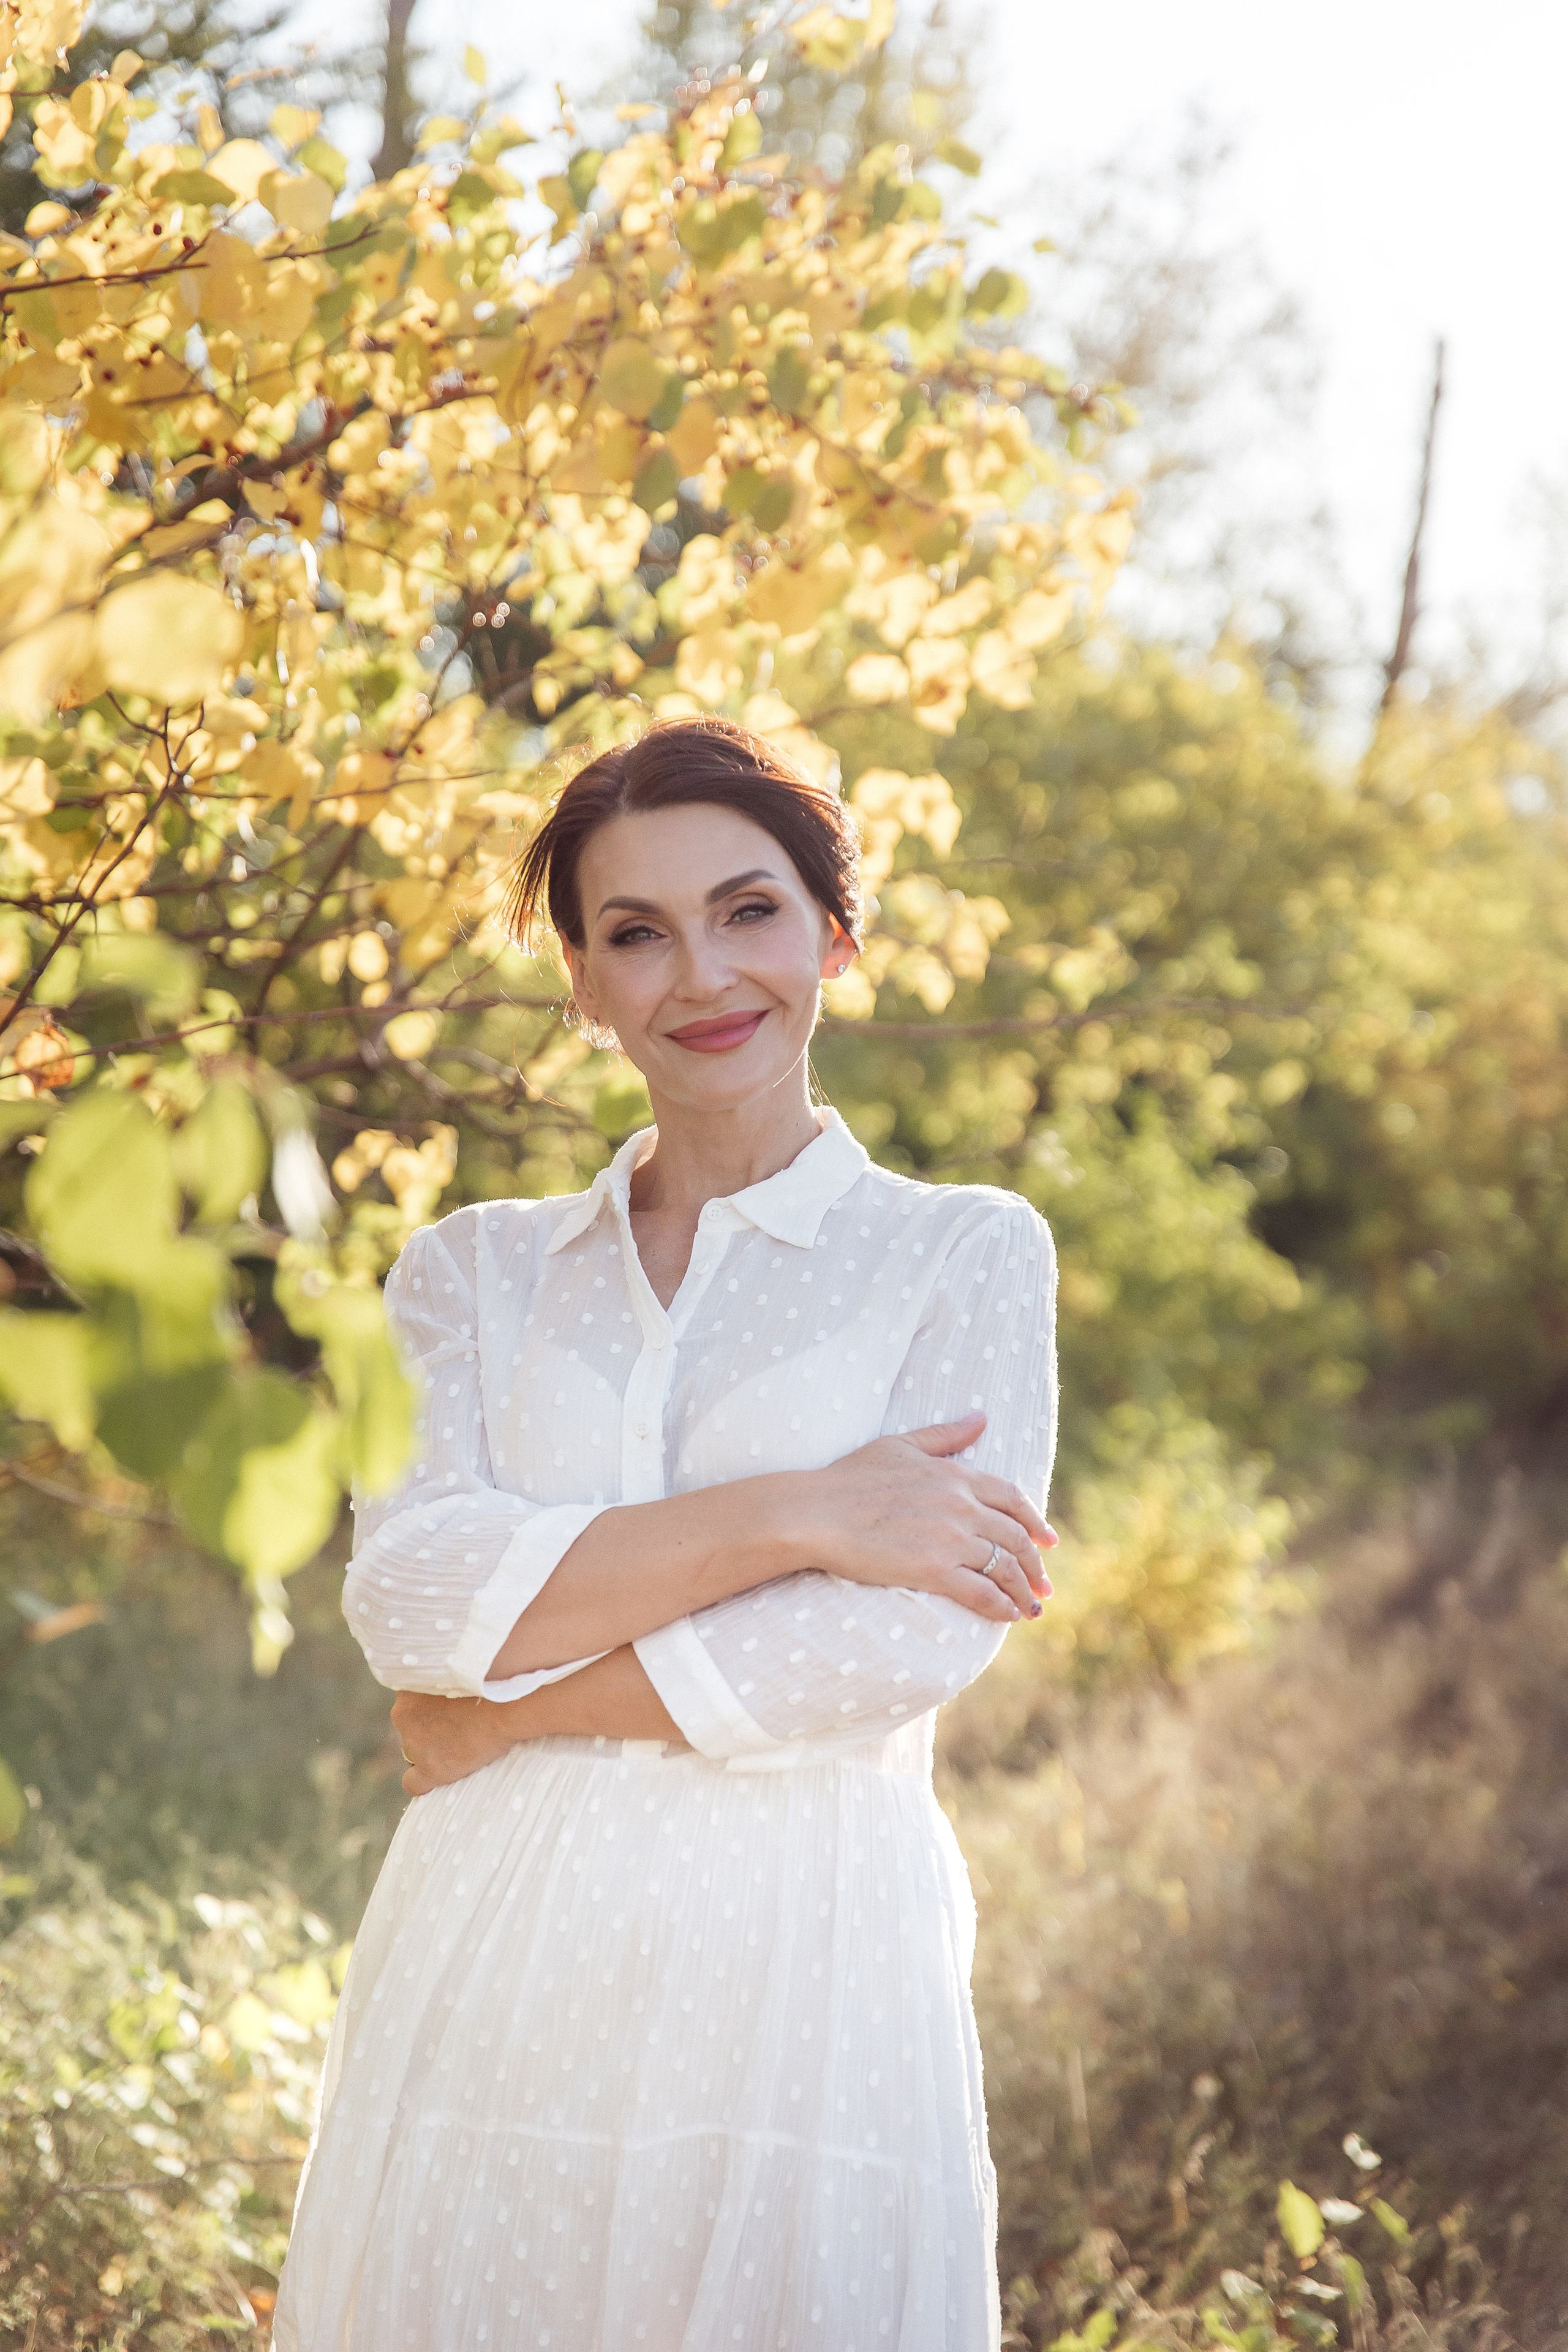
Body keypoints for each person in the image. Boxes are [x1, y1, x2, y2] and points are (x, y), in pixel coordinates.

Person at [273, 715, 1059, 2352]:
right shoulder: (465, 1276)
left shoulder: (963, 1253)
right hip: (493, 1940)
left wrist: (519, 1704)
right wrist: (809, 1508)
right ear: (581, 981)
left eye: (748, 910)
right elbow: (413, 1606)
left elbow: (901, 1637)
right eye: (635, 933)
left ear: (834, 932)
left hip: (808, 1948)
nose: (702, 974)